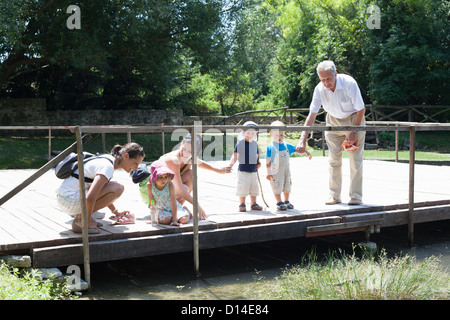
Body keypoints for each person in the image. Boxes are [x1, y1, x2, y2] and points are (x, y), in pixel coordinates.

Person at [295, 60, 366, 205]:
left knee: (355, 160)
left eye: (328, 78)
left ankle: (356, 196)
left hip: (354, 119)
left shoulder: (349, 83)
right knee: (333, 160)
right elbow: (312, 116)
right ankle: (334, 195)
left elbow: (361, 109)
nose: (326, 82)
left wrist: (354, 131)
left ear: (336, 74)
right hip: (332, 121)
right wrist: (302, 139)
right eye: (322, 79)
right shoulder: (319, 89)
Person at [56, 142, 145, 234]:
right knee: (118, 188)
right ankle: (82, 220)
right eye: (135, 163)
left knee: (116, 187)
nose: (136, 168)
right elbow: (90, 197)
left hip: (66, 198)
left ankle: (81, 218)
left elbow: (101, 191)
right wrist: (87, 223)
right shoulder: (107, 167)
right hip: (69, 199)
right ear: (126, 156)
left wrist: (115, 212)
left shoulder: (108, 160)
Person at [159, 133, 231, 220]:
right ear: (181, 144)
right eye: (184, 149)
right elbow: (179, 189)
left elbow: (199, 162)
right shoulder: (173, 159)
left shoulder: (191, 158)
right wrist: (197, 206)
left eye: (190, 151)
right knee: (182, 188)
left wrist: (218, 170)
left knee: (191, 174)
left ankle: (178, 207)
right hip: (153, 191)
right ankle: (165, 209)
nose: (185, 153)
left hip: (165, 188)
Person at [266, 120, 311, 210]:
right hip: (276, 170)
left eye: (281, 135)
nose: (279, 137)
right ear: (271, 134)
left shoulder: (287, 145)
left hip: (286, 170)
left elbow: (297, 150)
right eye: (276, 135)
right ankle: (279, 202)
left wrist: (305, 152)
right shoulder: (271, 147)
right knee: (277, 185)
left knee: (287, 185)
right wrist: (268, 173)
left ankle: (287, 200)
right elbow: (268, 162)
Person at [226, 121, 263, 212]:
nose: (250, 135)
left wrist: (258, 163)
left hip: (253, 170)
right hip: (243, 170)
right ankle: (242, 204)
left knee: (254, 187)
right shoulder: (241, 144)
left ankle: (253, 203)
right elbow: (235, 155)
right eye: (248, 133)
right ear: (243, 133)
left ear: (255, 134)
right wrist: (230, 165)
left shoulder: (255, 144)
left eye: (253, 133)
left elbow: (256, 155)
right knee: (243, 187)